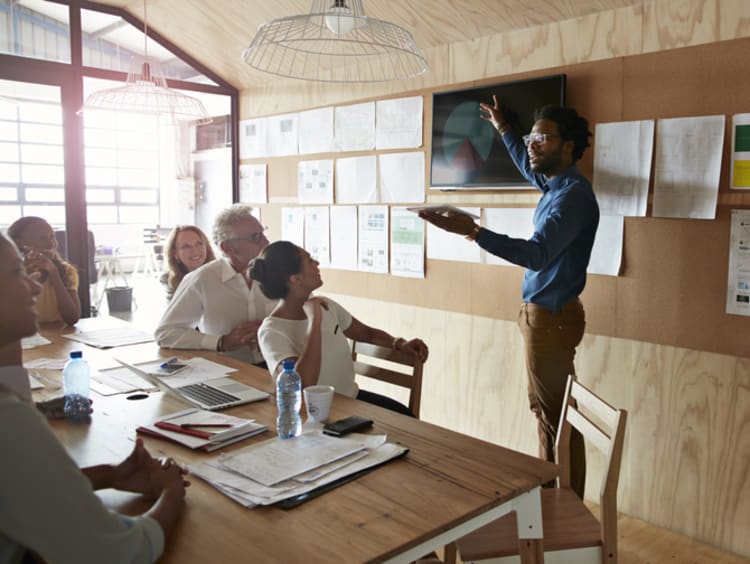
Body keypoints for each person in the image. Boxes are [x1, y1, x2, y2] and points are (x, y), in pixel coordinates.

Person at [419, 100, 598, 499]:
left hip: (550, 320)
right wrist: (504, 127)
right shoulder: (556, 185)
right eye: (532, 137)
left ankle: (564, 508)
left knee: (556, 419)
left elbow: (536, 254)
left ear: (567, 146)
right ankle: (553, 500)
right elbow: (525, 162)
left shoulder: (572, 197)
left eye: (543, 138)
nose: (533, 145)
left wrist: (474, 232)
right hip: (544, 318)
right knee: (546, 414)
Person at [0, 231, 188, 563]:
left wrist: (110, 476)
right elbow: (120, 553)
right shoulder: (9, 419)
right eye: (16, 272)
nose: (32, 286)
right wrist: (172, 491)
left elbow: (23, 491)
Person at [248, 241, 429, 416]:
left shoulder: (327, 305)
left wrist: (398, 343)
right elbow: (302, 384)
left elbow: (366, 333)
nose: (316, 263)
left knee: (408, 419)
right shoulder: (271, 331)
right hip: (314, 414)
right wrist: (314, 321)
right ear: (295, 279)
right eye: (310, 261)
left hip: (352, 401)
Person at [155, 204, 276, 365]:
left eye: (263, 234)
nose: (266, 242)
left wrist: (272, 329)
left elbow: (307, 318)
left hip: (279, 367)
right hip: (228, 371)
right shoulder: (202, 279)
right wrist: (221, 342)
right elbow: (166, 334)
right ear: (227, 247)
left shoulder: (281, 272)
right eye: (255, 237)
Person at [7, 216, 81, 325]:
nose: (51, 244)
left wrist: (54, 274)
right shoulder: (7, 273)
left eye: (52, 237)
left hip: (56, 337)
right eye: (42, 238)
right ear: (20, 244)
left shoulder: (67, 271)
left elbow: (72, 318)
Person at [162, 225, 216, 300]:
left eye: (199, 244)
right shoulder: (168, 279)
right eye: (186, 246)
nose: (194, 251)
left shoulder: (220, 273)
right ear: (175, 254)